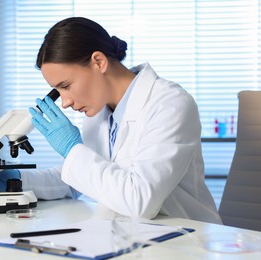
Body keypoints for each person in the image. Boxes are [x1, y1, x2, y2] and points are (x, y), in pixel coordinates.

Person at [14, 17, 222, 224]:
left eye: (66, 86)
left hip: (184, 238)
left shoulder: (169, 104)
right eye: (57, 91)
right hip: (128, 235)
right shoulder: (99, 111)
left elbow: (140, 200)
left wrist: (72, 149)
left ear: (98, 62)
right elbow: (77, 178)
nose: (65, 102)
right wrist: (16, 180)